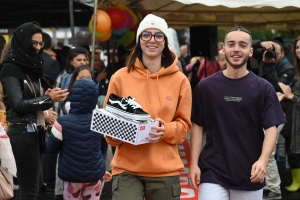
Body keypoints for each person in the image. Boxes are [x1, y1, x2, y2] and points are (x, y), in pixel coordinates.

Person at [188, 26, 286, 200]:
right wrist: (193, 163)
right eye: (231, 44)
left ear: (250, 51)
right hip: (213, 170)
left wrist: (263, 160)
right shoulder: (206, 87)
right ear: (223, 49)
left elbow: (271, 127)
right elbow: (198, 126)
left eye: (242, 45)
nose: (236, 49)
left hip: (250, 172)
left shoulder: (263, 88)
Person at [104, 14, 192, 200]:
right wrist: (117, 131)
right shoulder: (119, 77)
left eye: (158, 35)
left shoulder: (180, 81)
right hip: (126, 169)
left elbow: (184, 127)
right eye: (146, 35)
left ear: (165, 41)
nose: (152, 40)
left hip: (165, 170)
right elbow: (109, 132)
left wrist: (165, 129)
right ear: (139, 40)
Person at [0, 21, 68, 199]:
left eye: (40, 44)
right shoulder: (10, 68)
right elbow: (18, 104)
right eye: (34, 43)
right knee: (30, 187)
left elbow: (29, 101)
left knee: (32, 186)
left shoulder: (32, 67)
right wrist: (47, 99)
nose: (38, 48)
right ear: (23, 42)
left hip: (32, 132)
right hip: (21, 132)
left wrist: (44, 111)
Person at [46, 78, 111, 200]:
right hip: (94, 175)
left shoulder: (61, 122)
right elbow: (103, 148)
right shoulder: (101, 121)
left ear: (72, 97)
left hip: (71, 177)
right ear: (94, 99)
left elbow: (51, 149)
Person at [277, 35, 300, 193]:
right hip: (294, 119)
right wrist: (285, 95)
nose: (299, 50)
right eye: (297, 47)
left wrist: (290, 95)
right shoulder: (298, 71)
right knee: (293, 152)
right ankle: (296, 181)